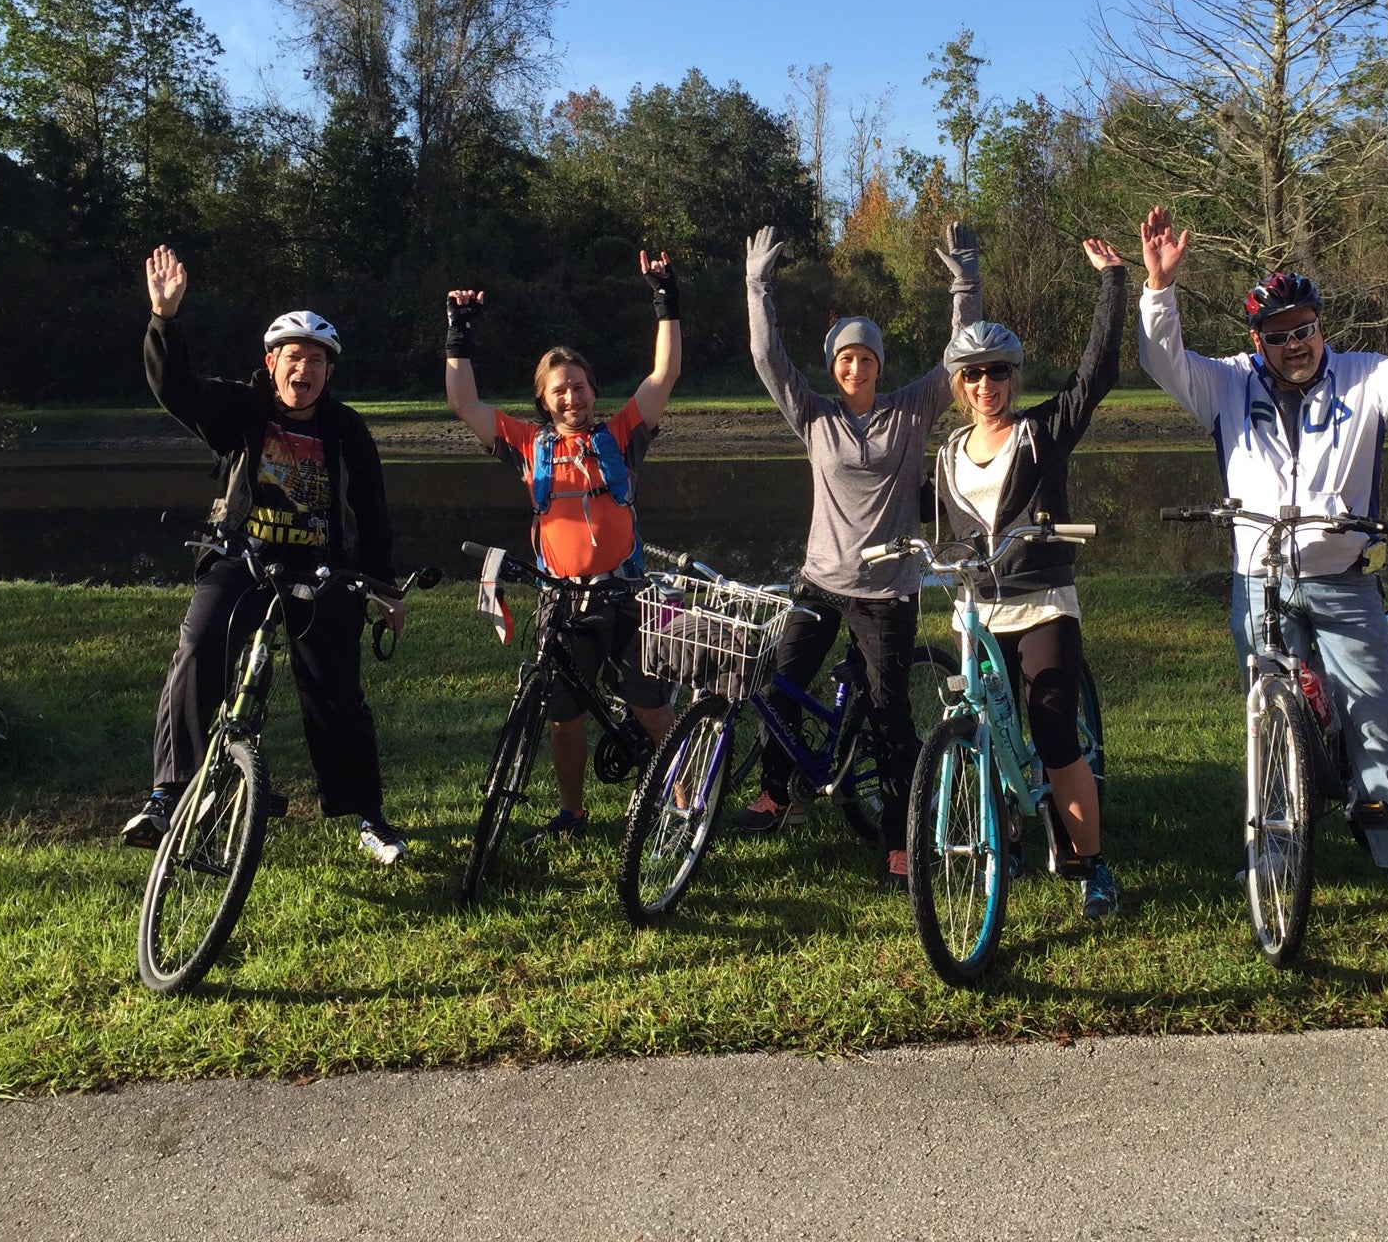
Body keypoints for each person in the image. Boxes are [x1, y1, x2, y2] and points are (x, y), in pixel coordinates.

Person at [1136, 206, 1388, 910]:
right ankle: (1272, 851)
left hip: (1342, 577)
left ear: (1322, 328)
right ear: (1257, 340)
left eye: (1306, 330)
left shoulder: (1363, 379)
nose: (1296, 345)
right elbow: (1162, 361)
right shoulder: (1226, 384)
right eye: (1280, 336)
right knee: (1268, 716)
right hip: (1259, 580)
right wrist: (1158, 290)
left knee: (1374, 714)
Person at [121, 246, 409, 864]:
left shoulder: (348, 431)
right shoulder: (241, 409)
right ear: (271, 363)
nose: (302, 370)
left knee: (336, 692)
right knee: (199, 648)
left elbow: (374, 516)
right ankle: (169, 793)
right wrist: (164, 320)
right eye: (293, 358)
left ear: (329, 373)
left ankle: (366, 815)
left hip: (324, 572)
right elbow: (178, 390)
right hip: (241, 557)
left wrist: (384, 587)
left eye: (316, 361)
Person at [741, 222, 982, 890]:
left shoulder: (910, 412)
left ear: (879, 364)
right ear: (834, 366)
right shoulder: (813, 416)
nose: (855, 366)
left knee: (888, 716)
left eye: (865, 357)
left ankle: (900, 845)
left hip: (886, 593)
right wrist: (757, 283)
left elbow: (961, 356)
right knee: (778, 687)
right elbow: (767, 359)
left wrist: (965, 279)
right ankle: (776, 792)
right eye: (845, 358)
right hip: (819, 583)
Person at [442, 251, 683, 842]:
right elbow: (463, 404)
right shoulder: (529, 445)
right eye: (559, 391)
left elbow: (664, 375)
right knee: (563, 717)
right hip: (564, 601)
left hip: (627, 594)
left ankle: (684, 804)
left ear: (593, 390)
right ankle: (573, 814)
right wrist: (458, 334)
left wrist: (665, 300)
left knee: (653, 710)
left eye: (578, 386)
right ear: (544, 401)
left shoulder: (623, 433)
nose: (570, 397)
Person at [929, 236, 1127, 918]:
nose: (987, 386)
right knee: (979, 721)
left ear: (1014, 377)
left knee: (1051, 733)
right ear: (961, 385)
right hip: (975, 612)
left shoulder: (1042, 433)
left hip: (1041, 604)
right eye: (974, 375)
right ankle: (1002, 832)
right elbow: (948, 533)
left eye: (999, 373)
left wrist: (1113, 284)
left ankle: (1093, 866)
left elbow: (1095, 376)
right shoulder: (949, 451)